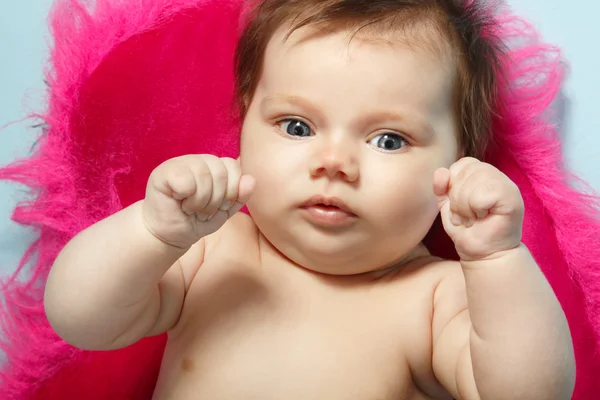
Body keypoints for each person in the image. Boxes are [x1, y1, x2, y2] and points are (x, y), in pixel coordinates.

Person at [43, 0, 575, 398]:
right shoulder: (211, 252)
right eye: (297, 126)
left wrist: (498, 258)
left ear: (458, 162)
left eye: (389, 139)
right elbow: (80, 319)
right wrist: (152, 232)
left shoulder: (433, 298)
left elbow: (528, 394)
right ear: (245, 120)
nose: (334, 162)